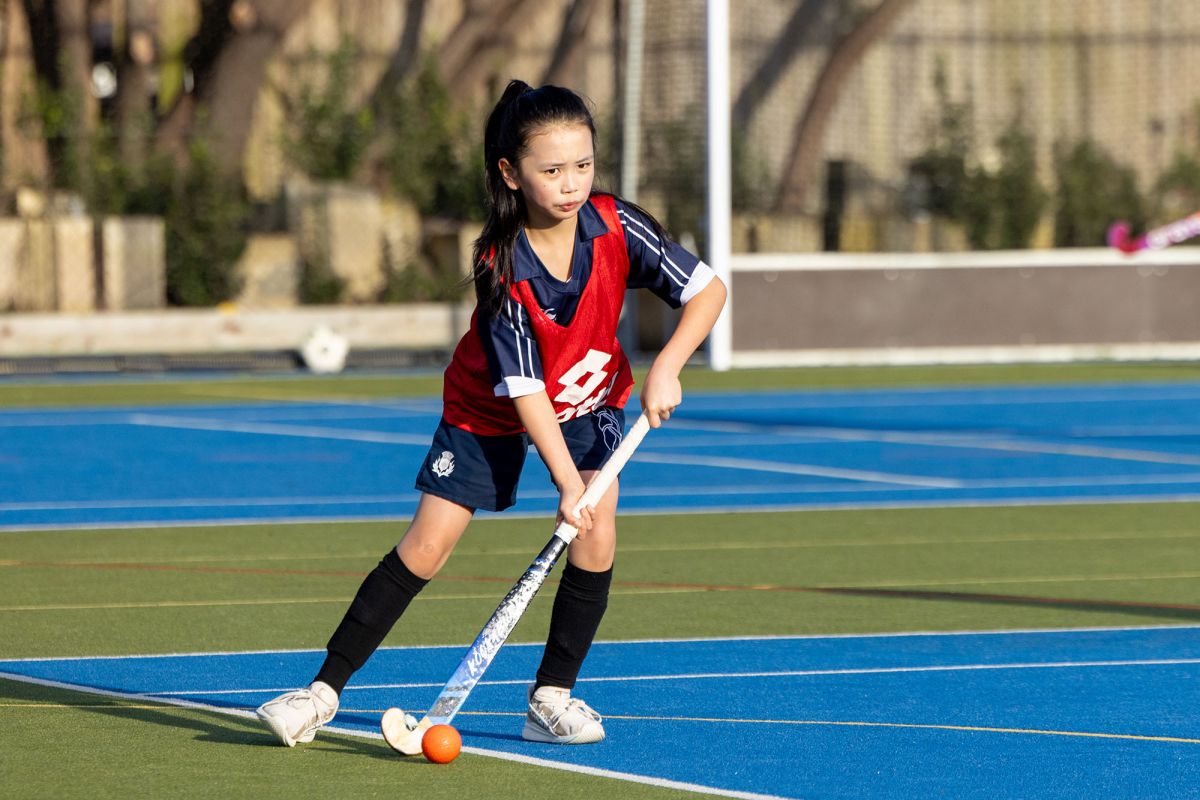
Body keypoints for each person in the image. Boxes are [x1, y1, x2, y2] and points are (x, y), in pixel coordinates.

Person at [256, 79, 726, 748]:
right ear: (511, 173)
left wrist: (669, 366)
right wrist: (567, 482)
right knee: (428, 543)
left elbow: (707, 291)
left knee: (599, 525)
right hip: (493, 405)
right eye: (553, 170)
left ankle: (551, 698)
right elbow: (526, 388)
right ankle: (322, 691)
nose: (572, 184)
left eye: (584, 166)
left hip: (587, 397)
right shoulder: (503, 262)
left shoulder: (617, 225)